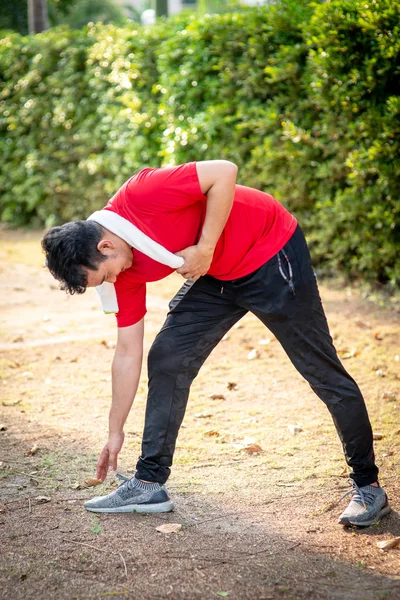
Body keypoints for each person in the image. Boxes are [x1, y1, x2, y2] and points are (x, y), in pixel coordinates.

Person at [42, 160, 391, 526]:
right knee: (167, 357)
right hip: (218, 273)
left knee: (320, 369)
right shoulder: (120, 270)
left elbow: (224, 171)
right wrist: (115, 431)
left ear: (106, 245)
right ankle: (148, 483)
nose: (114, 280)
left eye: (107, 273)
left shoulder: (142, 194)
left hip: (270, 251)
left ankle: (368, 486)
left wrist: (206, 247)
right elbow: (127, 351)